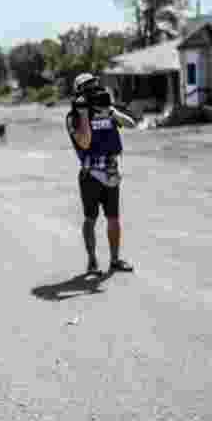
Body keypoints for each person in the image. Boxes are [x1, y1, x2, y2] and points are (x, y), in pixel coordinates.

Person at [66, 72, 137, 275]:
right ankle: (92, 260)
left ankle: (115, 260)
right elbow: (85, 142)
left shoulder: (107, 109)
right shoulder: (74, 117)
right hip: (91, 174)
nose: (95, 92)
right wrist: (84, 115)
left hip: (111, 171)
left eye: (95, 87)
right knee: (91, 218)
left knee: (114, 218)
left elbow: (131, 124)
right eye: (89, 88)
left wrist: (111, 112)